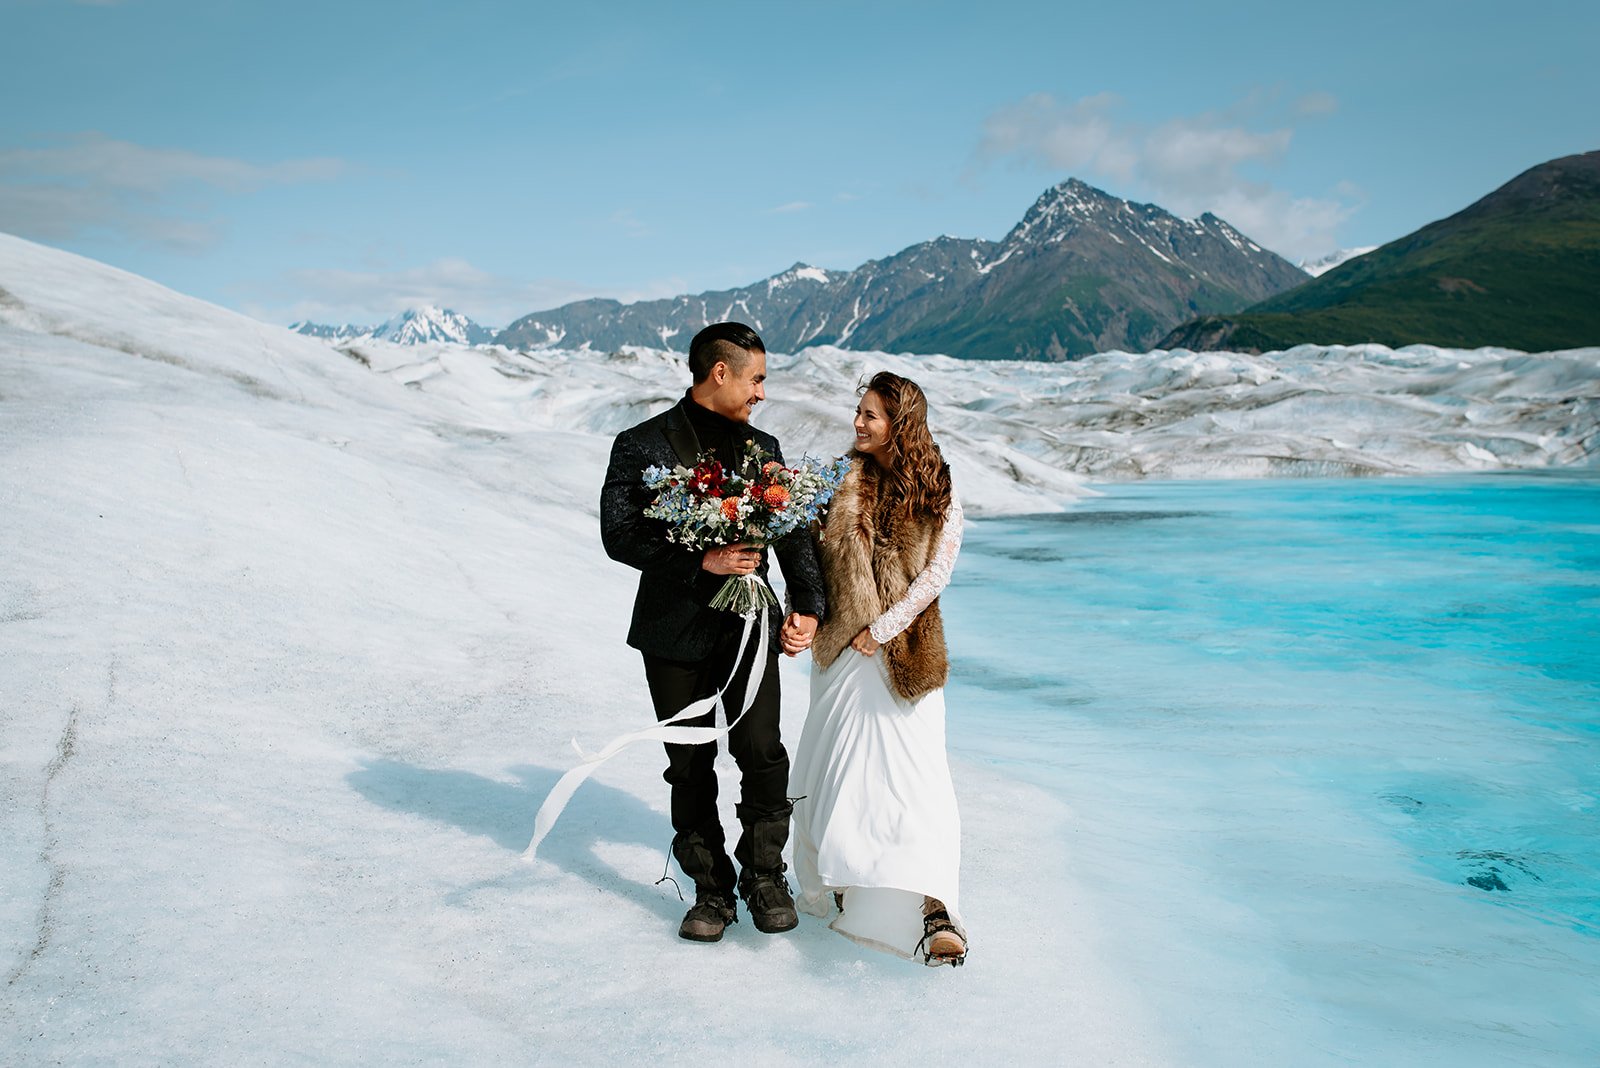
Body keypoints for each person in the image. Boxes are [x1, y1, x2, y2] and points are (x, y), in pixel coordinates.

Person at [599, 321, 826, 944]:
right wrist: (700, 562)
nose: (761, 394)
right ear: (718, 373)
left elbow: (793, 530)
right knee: (689, 762)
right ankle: (710, 889)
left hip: (751, 625)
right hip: (672, 630)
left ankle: (765, 877)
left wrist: (806, 603)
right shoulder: (641, 444)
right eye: (756, 379)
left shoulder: (765, 446)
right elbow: (619, 535)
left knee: (761, 751)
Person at [791, 371, 968, 966]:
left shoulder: (938, 490)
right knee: (832, 772)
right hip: (842, 654)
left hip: (903, 657)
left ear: (901, 423)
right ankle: (840, 886)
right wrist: (810, 619)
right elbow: (807, 560)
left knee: (918, 783)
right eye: (858, 412)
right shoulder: (837, 482)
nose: (858, 423)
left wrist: (883, 631)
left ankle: (936, 910)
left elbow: (937, 575)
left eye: (870, 415)